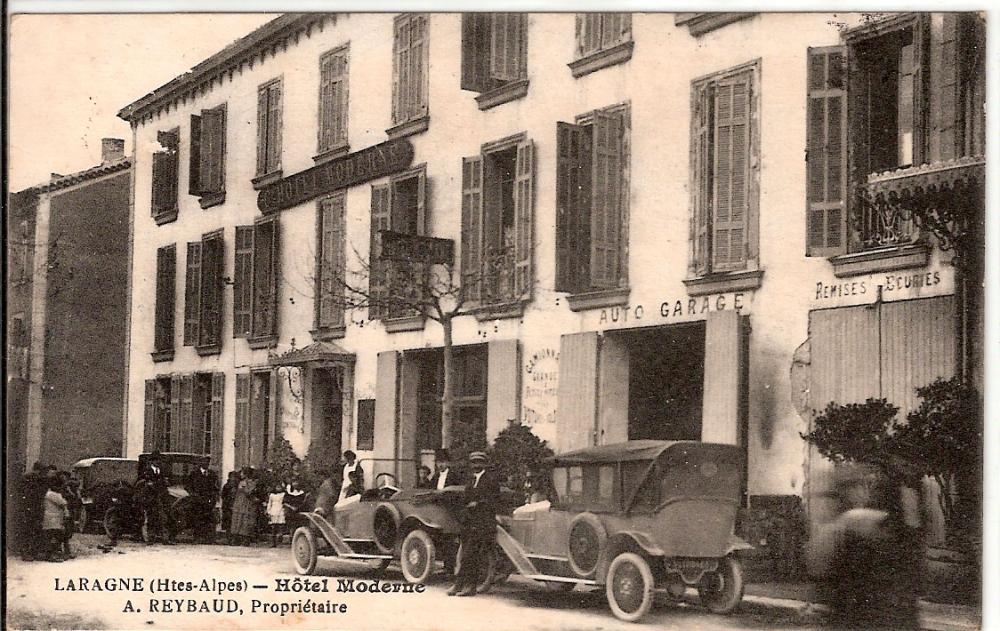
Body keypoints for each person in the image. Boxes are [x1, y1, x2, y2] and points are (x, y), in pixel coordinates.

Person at [806, 465, 923, 629]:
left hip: (861, 613)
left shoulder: (848, 522)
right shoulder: (877, 524)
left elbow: (819, 568)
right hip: (884, 612)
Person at [449, 451, 500, 597]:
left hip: (484, 523)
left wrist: (478, 503)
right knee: (464, 554)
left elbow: (494, 500)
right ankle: (459, 585)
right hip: (470, 523)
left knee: (470, 555)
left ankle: (468, 586)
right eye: (474, 463)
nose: (476, 465)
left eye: (479, 463)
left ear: (484, 464)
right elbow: (465, 499)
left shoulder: (491, 480)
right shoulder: (471, 480)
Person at [138, 451, 175, 544]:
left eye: (159, 460)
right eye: (156, 460)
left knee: (164, 518)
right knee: (151, 518)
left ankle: (165, 539)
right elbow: (145, 484)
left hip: (161, 498)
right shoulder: (146, 471)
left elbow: (164, 484)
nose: (158, 462)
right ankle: (150, 538)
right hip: (150, 498)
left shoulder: (161, 471)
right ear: (152, 461)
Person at [186, 464, 220, 543]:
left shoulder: (212, 474)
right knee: (197, 518)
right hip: (197, 500)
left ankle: (209, 538)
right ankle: (197, 537)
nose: (206, 464)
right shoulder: (194, 474)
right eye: (204, 462)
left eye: (208, 462)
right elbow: (187, 486)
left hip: (208, 500)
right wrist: (193, 494)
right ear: (200, 463)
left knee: (209, 519)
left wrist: (214, 496)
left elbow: (216, 487)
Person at [42, 478, 69, 562]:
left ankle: (49, 554)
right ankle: (52, 555)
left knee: (51, 537)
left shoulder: (48, 494)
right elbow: (63, 503)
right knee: (55, 537)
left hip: (51, 518)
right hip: (53, 519)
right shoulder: (53, 494)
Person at [229, 468, 258, 545]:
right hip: (240, 502)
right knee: (238, 520)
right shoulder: (241, 482)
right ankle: (236, 539)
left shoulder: (251, 482)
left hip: (246, 503)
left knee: (245, 521)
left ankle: (244, 539)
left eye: (242, 473)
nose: (241, 474)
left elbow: (248, 492)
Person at [266, 481, 286, 547]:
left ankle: (280, 542)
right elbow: (269, 504)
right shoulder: (272, 495)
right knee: (273, 528)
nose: (278, 489)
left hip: (280, 511)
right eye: (277, 487)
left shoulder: (283, 494)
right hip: (273, 511)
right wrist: (268, 511)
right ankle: (273, 543)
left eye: (280, 487)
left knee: (281, 526)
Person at [221, 471, 239, 542]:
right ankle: (229, 538)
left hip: (235, 506)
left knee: (234, 522)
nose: (234, 478)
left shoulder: (237, 486)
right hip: (227, 506)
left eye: (235, 477)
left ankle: (233, 538)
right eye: (232, 477)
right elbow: (223, 496)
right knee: (228, 522)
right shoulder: (226, 486)